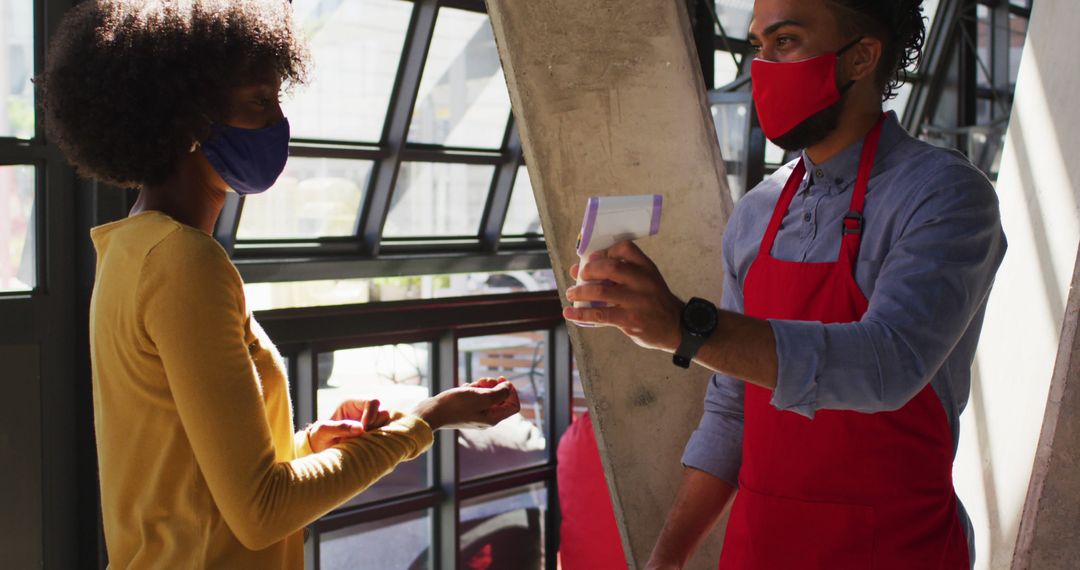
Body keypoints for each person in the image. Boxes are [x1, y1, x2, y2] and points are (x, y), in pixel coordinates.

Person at [39, 1, 520, 568]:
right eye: (259, 102)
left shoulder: (131, 251)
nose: (278, 124)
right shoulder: (184, 262)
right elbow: (262, 512)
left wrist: (311, 445)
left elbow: (200, 484)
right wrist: (428, 419)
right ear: (187, 117)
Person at [564, 0, 1007, 568]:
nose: (762, 66)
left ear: (862, 57)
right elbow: (733, 409)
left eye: (786, 41)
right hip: (760, 550)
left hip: (895, 548)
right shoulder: (757, 213)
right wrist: (666, 559)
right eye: (757, 47)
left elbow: (886, 365)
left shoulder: (944, 195)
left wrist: (687, 329)